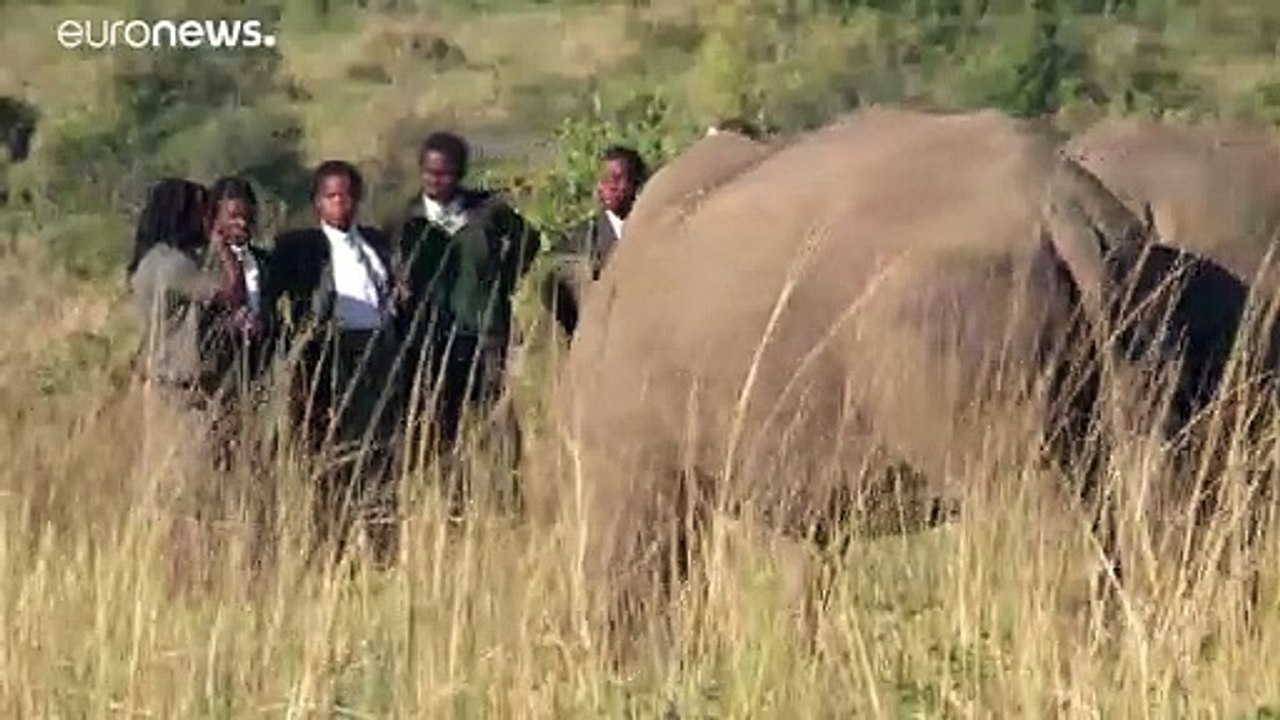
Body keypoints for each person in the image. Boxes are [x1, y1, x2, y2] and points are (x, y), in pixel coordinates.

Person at [260, 160, 401, 564]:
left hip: (378, 354)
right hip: (329, 357)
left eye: (348, 195)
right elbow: (270, 295)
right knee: (333, 459)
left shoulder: (374, 242)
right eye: (332, 196)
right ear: (317, 202)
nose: (341, 203)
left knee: (381, 456)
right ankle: (331, 552)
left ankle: (383, 556)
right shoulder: (300, 247)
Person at [394, 131, 540, 512]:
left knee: (497, 419)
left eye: (445, 174)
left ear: (460, 173)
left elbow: (530, 241)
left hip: (485, 332)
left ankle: (507, 501)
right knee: (442, 422)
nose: (436, 181)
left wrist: (503, 282)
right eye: (429, 173)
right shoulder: (408, 219)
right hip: (433, 338)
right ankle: (454, 503)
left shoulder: (487, 211)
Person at [127, 176, 248, 587]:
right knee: (191, 489)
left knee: (170, 486)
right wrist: (223, 248)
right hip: (183, 391)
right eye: (202, 212)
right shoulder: (177, 266)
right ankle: (188, 575)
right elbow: (230, 292)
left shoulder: (149, 262)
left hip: (160, 386)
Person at [540, 144, 648, 338]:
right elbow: (554, 291)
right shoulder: (579, 238)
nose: (610, 187)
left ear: (637, 183)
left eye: (618, 179)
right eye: (605, 180)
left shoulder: (653, 229)